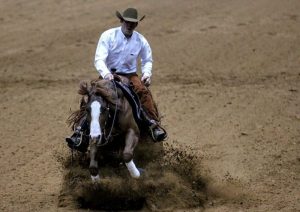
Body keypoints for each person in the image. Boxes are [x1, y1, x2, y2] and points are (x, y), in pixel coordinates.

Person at [66, 8, 166, 148]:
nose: (130, 25)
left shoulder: (141, 40)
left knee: (143, 92)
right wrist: (107, 74)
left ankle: (153, 125)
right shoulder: (108, 36)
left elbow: (147, 60)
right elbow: (99, 59)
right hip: (108, 74)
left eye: (133, 23)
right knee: (91, 96)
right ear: (121, 21)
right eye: (127, 22)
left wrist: (147, 74)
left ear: (136, 24)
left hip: (130, 75)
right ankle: (80, 132)